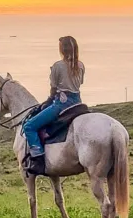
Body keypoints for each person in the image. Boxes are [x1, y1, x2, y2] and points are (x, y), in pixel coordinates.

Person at [21, 35, 85, 175]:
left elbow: (54, 88)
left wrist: (49, 100)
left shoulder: (58, 66)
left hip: (61, 104)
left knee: (29, 126)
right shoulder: (80, 65)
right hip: (78, 103)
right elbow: (79, 84)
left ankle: (38, 158)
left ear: (62, 49)